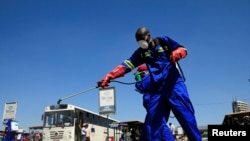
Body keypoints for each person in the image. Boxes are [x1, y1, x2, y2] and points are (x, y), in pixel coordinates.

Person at [97, 26, 202, 141]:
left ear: (149, 36)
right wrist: (109, 76)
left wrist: (178, 52)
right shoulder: (141, 53)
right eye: (139, 42)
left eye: (143, 40)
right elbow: (126, 65)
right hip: (157, 91)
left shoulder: (163, 41)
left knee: (187, 118)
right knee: (152, 125)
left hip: (174, 85)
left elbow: (183, 49)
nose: (142, 43)